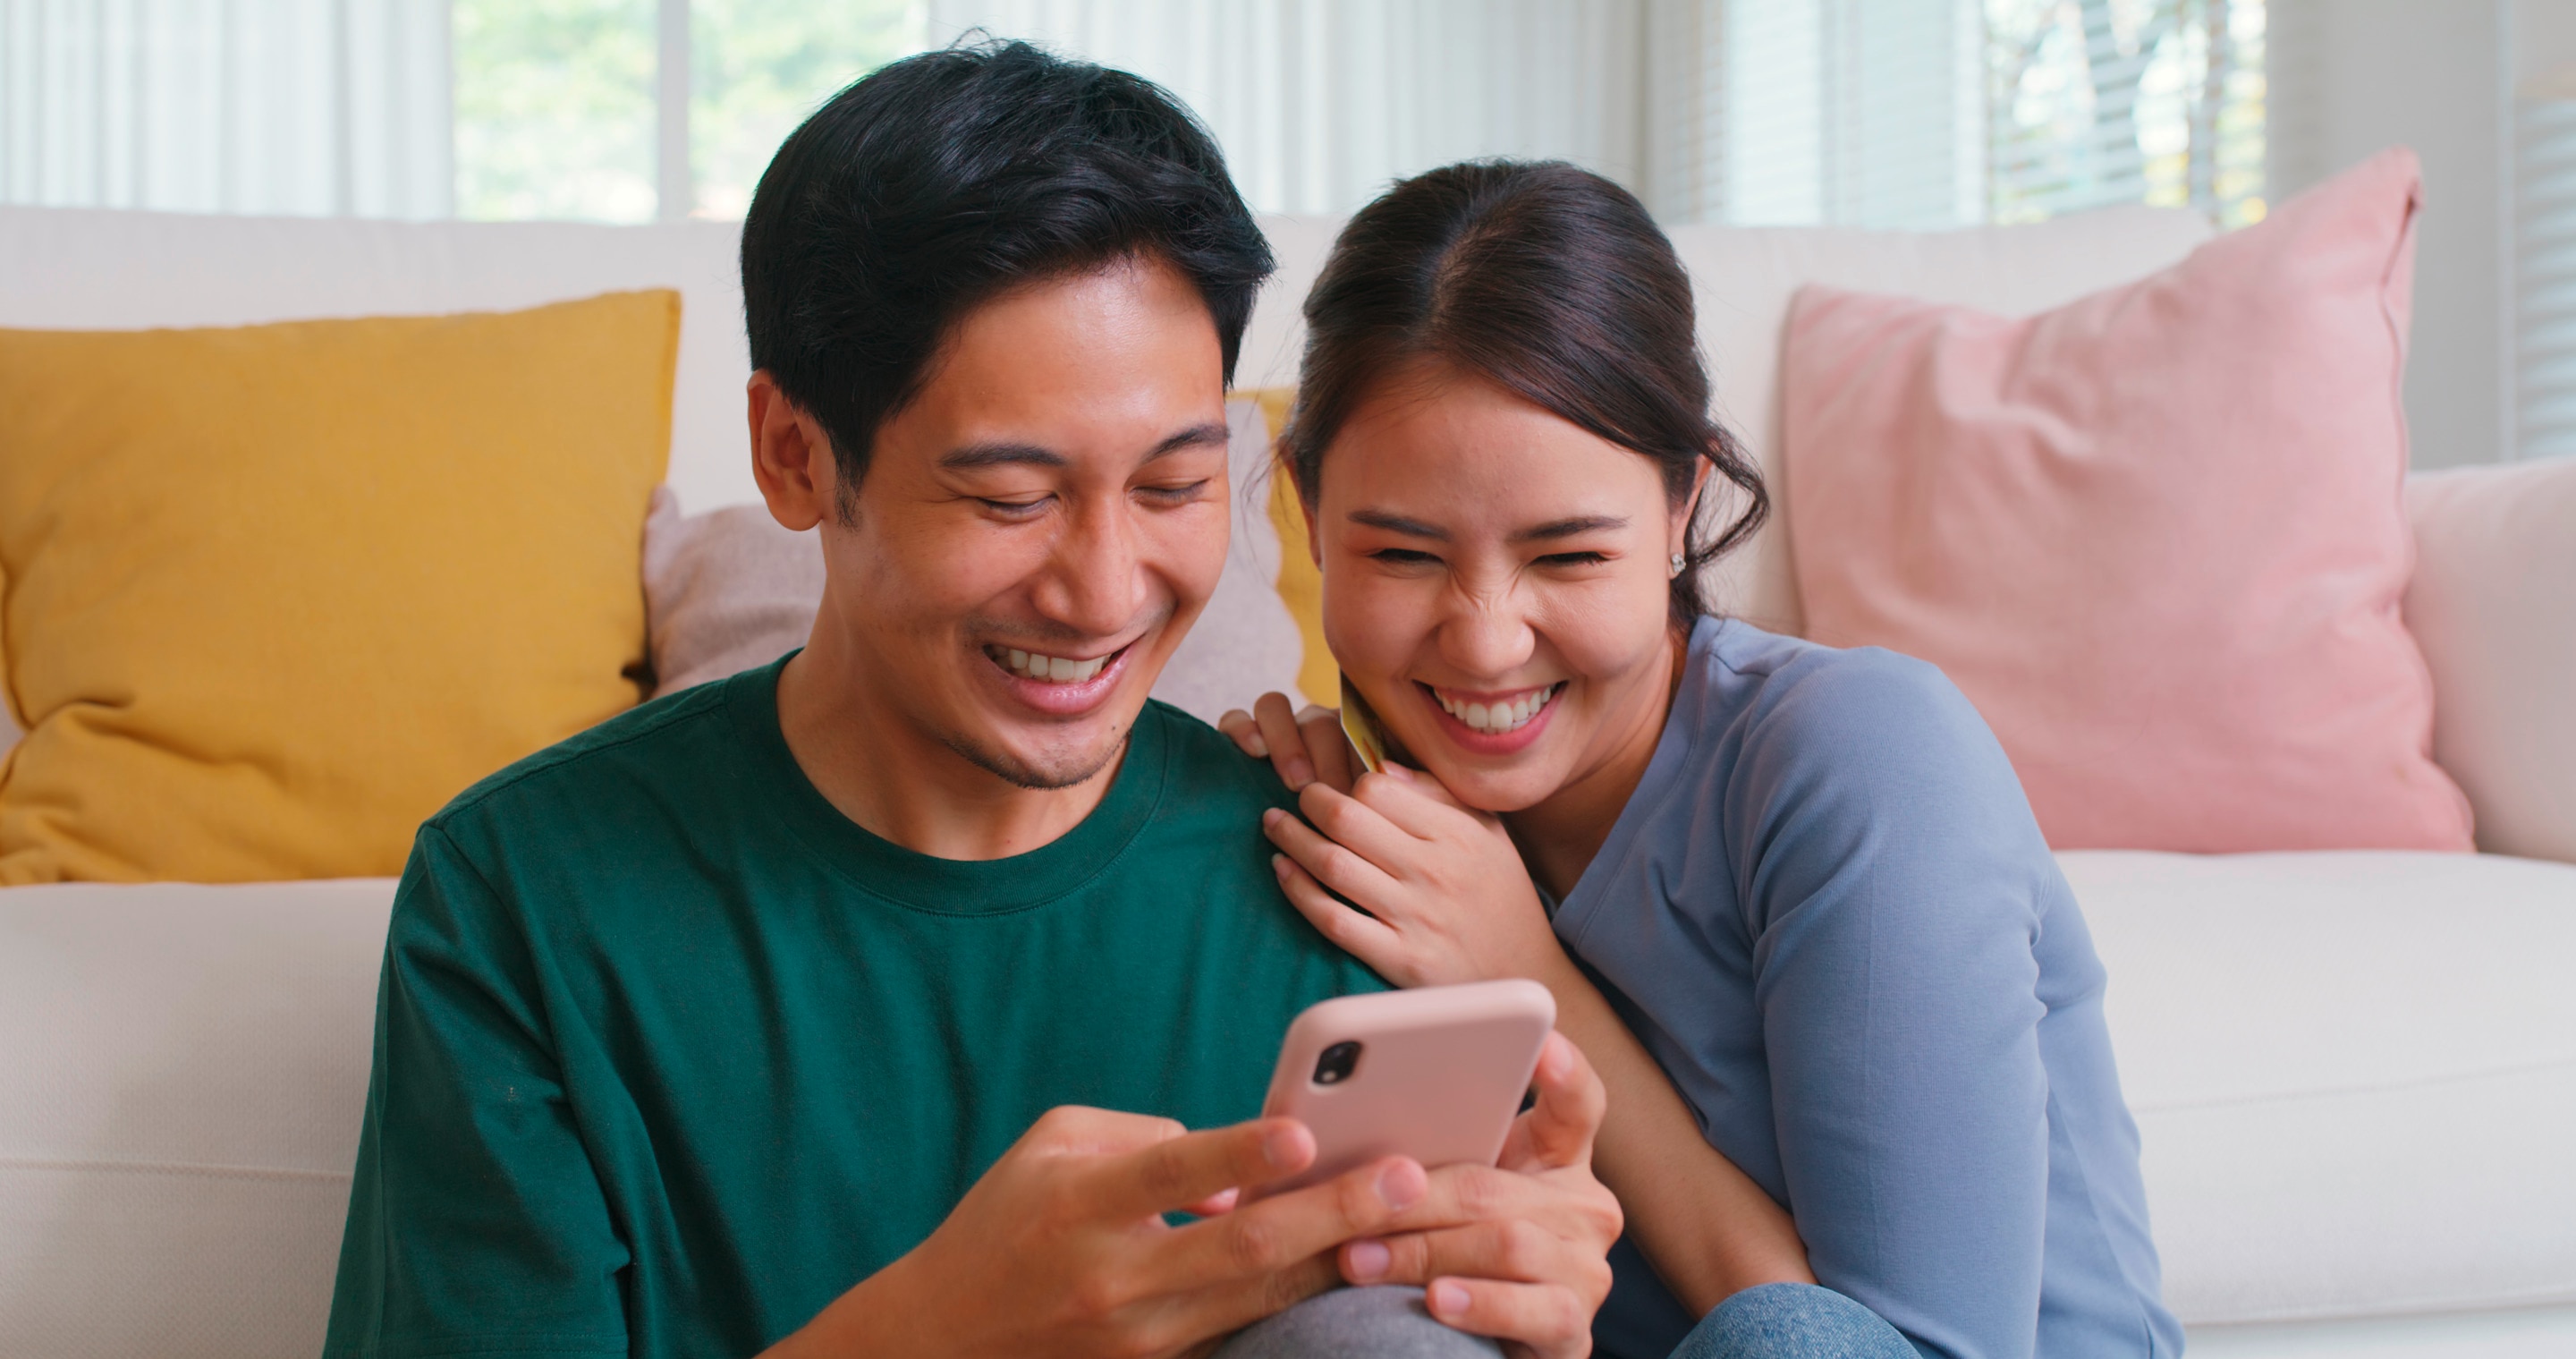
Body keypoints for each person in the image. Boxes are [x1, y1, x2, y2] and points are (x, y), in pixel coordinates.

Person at [319, 47, 1626, 1359]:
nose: (1105, 592)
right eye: (1011, 498)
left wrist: (1523, 1305)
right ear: (795, 455)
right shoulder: (525, 903)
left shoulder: (1343, 878)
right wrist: (931, 1335)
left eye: (1173, 487)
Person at [1220, 161, 2184, 1359]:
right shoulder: (1374, 819)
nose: (1483, 640)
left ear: (1681, 506)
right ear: (1308, 514)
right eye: (1405, 557)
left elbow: (1884, 1345)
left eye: (1567, 557)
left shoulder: (1859, 755)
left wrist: (1528, 978)